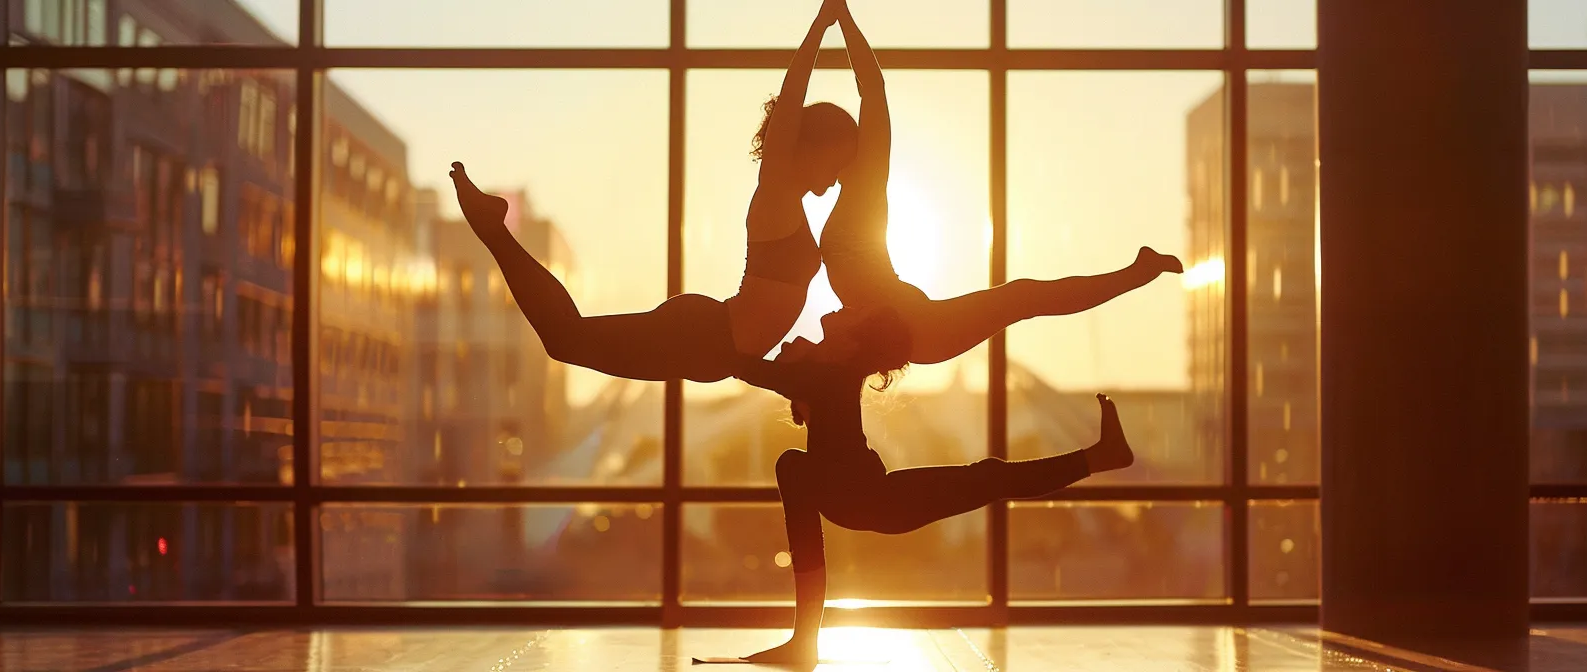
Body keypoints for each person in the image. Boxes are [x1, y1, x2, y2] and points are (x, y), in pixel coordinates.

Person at [448, 0, 855, 383]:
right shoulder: (776, 196)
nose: (839, 177)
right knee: (566, 340)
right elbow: (789, 106)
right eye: (838, 161)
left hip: (712, 345)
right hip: (704, 335)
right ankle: (494, 230)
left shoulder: (791, 207)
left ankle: (494, 230)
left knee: (568, 339)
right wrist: (820, 27)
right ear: (811, 145)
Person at [731, 307, 1138, 664]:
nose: (791, 342)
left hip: (875, 499)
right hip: (871, 500)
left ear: (849, 342)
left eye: (849, 314)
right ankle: (1099, 457)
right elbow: (760, 368)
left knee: (989, 477)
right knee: (794, 466)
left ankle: (1100, 457)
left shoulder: (828, 370)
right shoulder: (827, 370)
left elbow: (748, 366)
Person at [815, 0, 1187, 366]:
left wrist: (843, 18)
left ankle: (1139, 273)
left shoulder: (865, 186)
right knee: (1023, 297)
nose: (821, 183)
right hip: (906, 332)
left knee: (1024, 297)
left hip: (923, 328)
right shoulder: (852, 197)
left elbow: (873, 89)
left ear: (836, 149)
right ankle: (1139, 272)